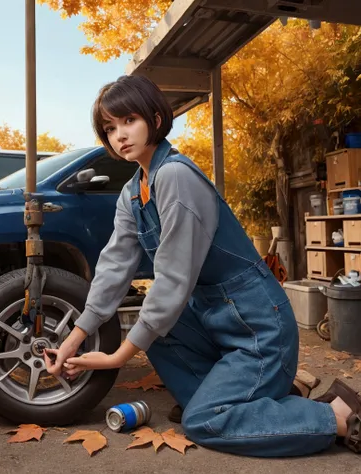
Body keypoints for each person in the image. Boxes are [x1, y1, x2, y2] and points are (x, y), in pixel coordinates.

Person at [44, 74, 361, 457]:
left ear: (156, 119)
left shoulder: (176, 175)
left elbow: (174, 279)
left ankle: (339, 417)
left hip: (258, 329)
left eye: (129, 120)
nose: (120, 135)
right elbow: (114, 264)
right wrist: (73, 339)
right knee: (156, 329)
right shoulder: (132, 192)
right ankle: (276, 397)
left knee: (203, 421)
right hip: (214, 322)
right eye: (110, 128)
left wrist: (117, 357)